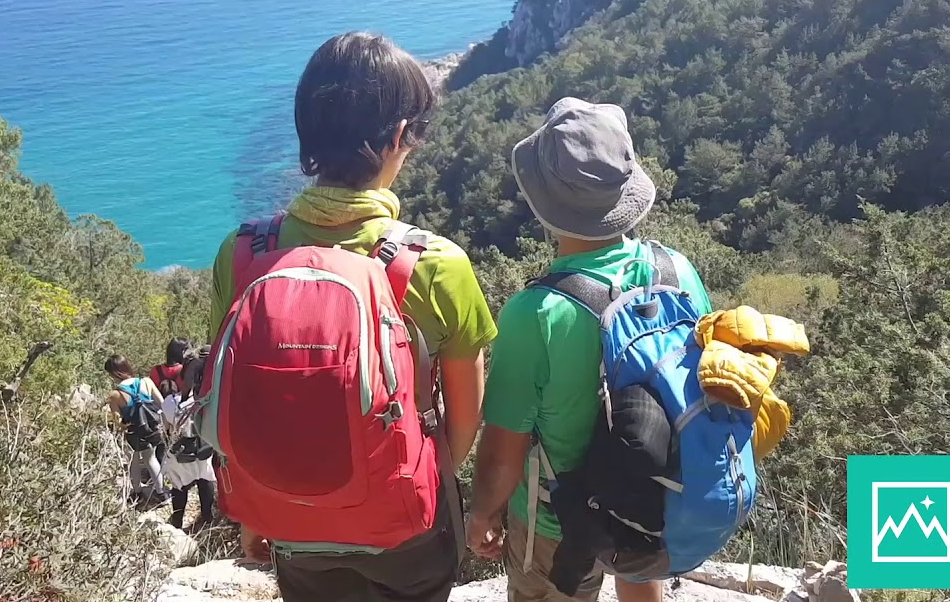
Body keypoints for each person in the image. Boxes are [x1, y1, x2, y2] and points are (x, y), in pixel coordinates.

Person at [205, 31, 497, 602]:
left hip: (289, 516)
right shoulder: (435, 264)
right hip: (404, 524)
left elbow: (236, 392)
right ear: (396, 137)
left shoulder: (242, 253)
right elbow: (465, 418)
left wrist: (258, 510)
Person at [466, 98, 714, 602]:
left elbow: (503, 450)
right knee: (639, 572)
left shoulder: (534, 313)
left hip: (559, 519)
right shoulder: (676, 271)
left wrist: (483, 514)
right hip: (649, 497)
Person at [105, 355, 167, 507]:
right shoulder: (146, 382)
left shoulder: (115, 395)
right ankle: (162, 493)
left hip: (134, 433)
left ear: (114, 373)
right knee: (151, 459)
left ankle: (137, 492)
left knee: (134, 461)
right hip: (152, 429)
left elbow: (118, 422)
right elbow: (162, 404)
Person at [161, 360, 216, 530]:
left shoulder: (171, 402)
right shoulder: (211, 401)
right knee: (205, 479)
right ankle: (207, 517)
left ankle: (177, 520)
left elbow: (166, 427)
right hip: (204, 447)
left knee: (179, 485)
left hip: (180, 452)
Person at [152, 337, 192, 466]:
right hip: (180, 416)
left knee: (161, 446)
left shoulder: (156, 370)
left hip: (161, 414)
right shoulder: (185, 370)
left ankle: (161, 472)